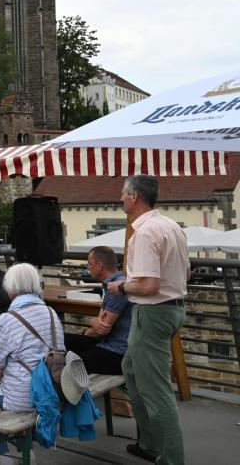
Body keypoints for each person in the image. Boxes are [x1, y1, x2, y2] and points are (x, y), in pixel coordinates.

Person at [116, 175, 189, 465]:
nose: (121, 197)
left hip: (152, 311)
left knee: (156, 391)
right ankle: (148, 442)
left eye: (123, 193)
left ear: (134, 197)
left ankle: (171, 458)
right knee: (131, 369)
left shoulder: (145, 234)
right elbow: (186, 273)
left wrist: (120, 286)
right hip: (171, 310)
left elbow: (148, 286)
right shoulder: (172, 226)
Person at [0, 263, 64, 464]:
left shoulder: (5, 320)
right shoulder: (52, 314)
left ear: (10, 287)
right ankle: (25, 450)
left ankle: (3, 454)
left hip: (21, 398)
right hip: (52, 393)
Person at [65, 246, 132, 375]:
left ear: (99, 265)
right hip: (109, 343)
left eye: (90, 263)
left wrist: (92, 324)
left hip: (118, 353)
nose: (87, 267)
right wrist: (93, 325)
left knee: (69, 363)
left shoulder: (116, 288)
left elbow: (102, 329)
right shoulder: (115, 283)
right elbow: (99, 325)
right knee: (62, 341)